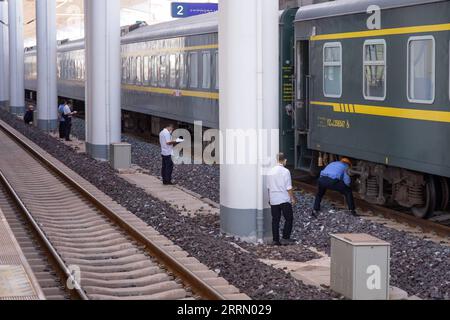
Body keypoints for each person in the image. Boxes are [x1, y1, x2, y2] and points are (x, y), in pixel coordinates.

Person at [267, 153, 297, 246]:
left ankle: (275, 240)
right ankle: (285, 238)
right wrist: (292, 198)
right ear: (284, 160)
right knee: (289, 218)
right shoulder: (285, 171)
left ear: (277, 160)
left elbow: (268, 187)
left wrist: (270, 198)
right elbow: (288, 187)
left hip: (274, 199)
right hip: (284, 199)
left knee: (275, 220)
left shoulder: (270, 171)